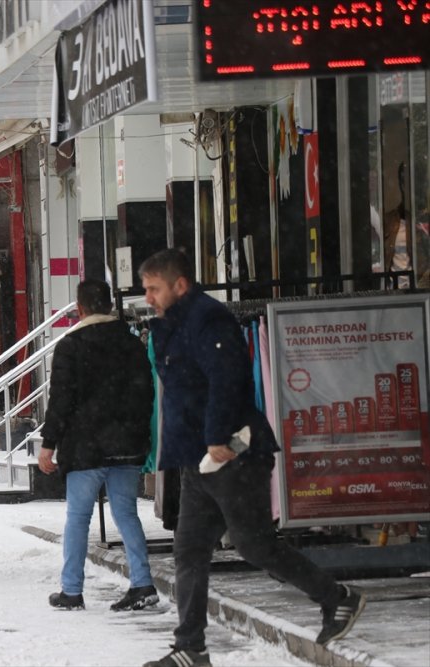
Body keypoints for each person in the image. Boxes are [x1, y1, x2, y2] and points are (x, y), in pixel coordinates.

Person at [138, 249, 365, 667]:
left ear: (180, 284)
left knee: (255, 545)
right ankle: (191, 648)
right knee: (188, 553)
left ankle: (339, 598)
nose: (147, 298)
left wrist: (216, 438)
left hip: (234, 453)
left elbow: (227, 379)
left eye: (154, 289)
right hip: (198, 461)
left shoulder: (209, 318)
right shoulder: (171, 325)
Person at [38, 279, 157, 613]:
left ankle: (72, 591)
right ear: (109, 306)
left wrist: (49, 443)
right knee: (127, 514)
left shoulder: (71, 346)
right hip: (127, 446)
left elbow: (60, 399)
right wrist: (139, 436)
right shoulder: (132, 345)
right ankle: (142, 583)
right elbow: (146, 393)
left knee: (78, 517)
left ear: (80, 309)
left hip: (85, 447)